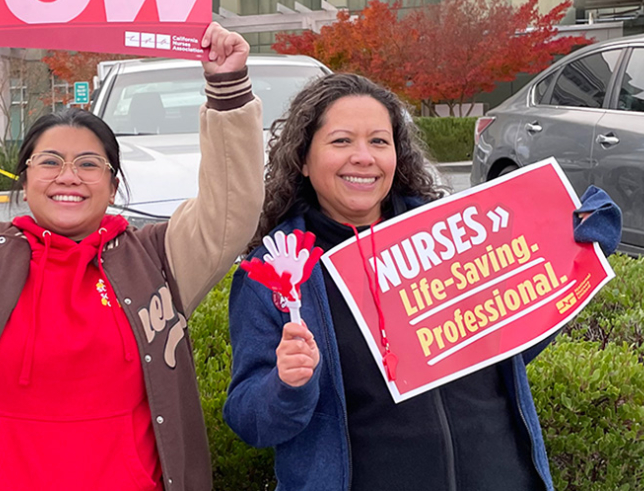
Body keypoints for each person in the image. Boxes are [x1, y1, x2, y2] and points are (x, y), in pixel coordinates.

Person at [0, 3, 265, 491]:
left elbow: (232, 209)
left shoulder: (158, 260)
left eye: (89, 164)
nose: (68, 177)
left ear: (114, 184)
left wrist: (226, 89)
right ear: (25, 178)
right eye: (50, 161)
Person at [224, 73, 623, 491]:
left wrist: (573, 261)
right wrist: (287, 386)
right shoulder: (277, 272)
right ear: (303, 159)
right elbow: (250, 422)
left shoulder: (457, 238)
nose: (364, 157)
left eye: (379, 141)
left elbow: (508, 354)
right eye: (341, 141)